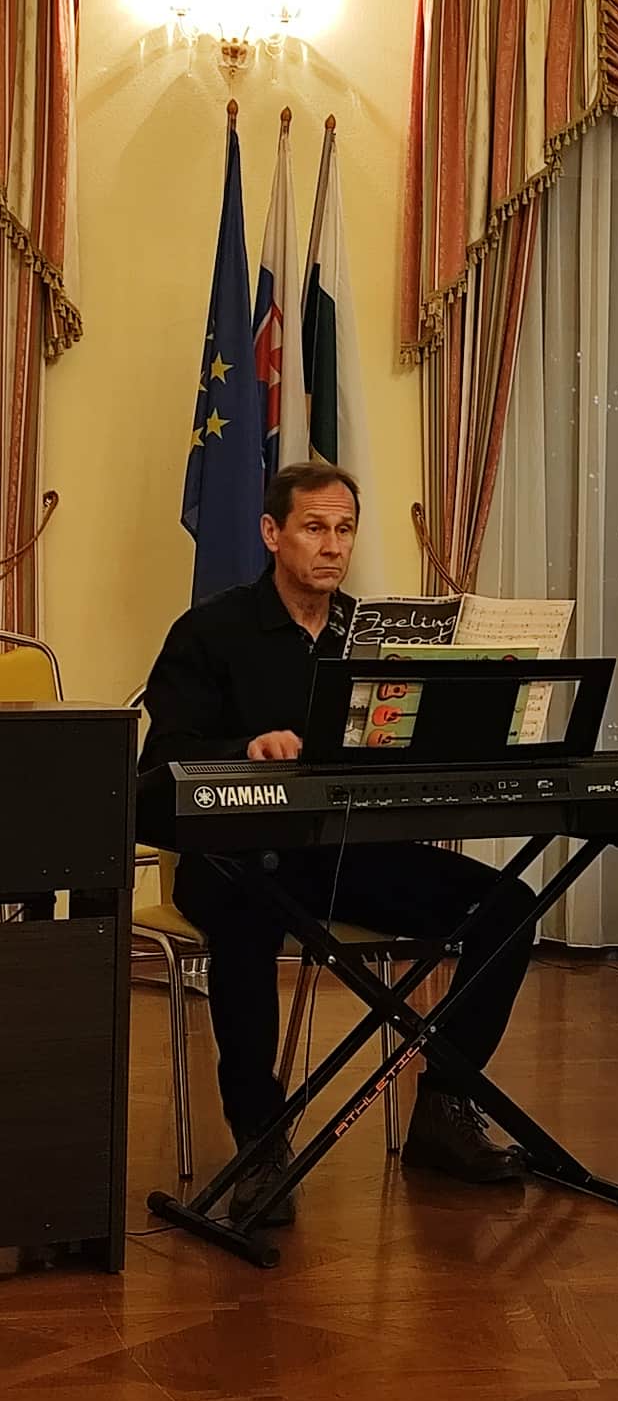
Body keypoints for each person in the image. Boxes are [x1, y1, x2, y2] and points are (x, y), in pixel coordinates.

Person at [140, 461, 537, 1226]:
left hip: (347, 858)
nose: (332, 546)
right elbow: (161, 767)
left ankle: (445, 1108)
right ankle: (261, 1142)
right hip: (231, 860)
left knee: (510, 906)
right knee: (247, 920)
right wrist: (245, 749)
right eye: (315, 528)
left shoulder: (374, 636)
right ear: (272, 533)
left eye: (345, 529)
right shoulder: (211, 631)